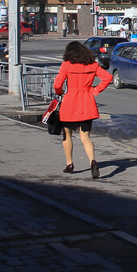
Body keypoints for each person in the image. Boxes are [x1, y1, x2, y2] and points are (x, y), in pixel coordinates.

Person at [53, 40, 113, 178]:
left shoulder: (66, 65)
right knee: (85, 136)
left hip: (70, 102)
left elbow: (57, 84)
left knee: (67, 134)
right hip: (87, 101)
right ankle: (93, 161)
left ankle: (69, 164)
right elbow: (107, 77)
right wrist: (95, 90)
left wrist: (59, 92)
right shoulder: (93, 65)